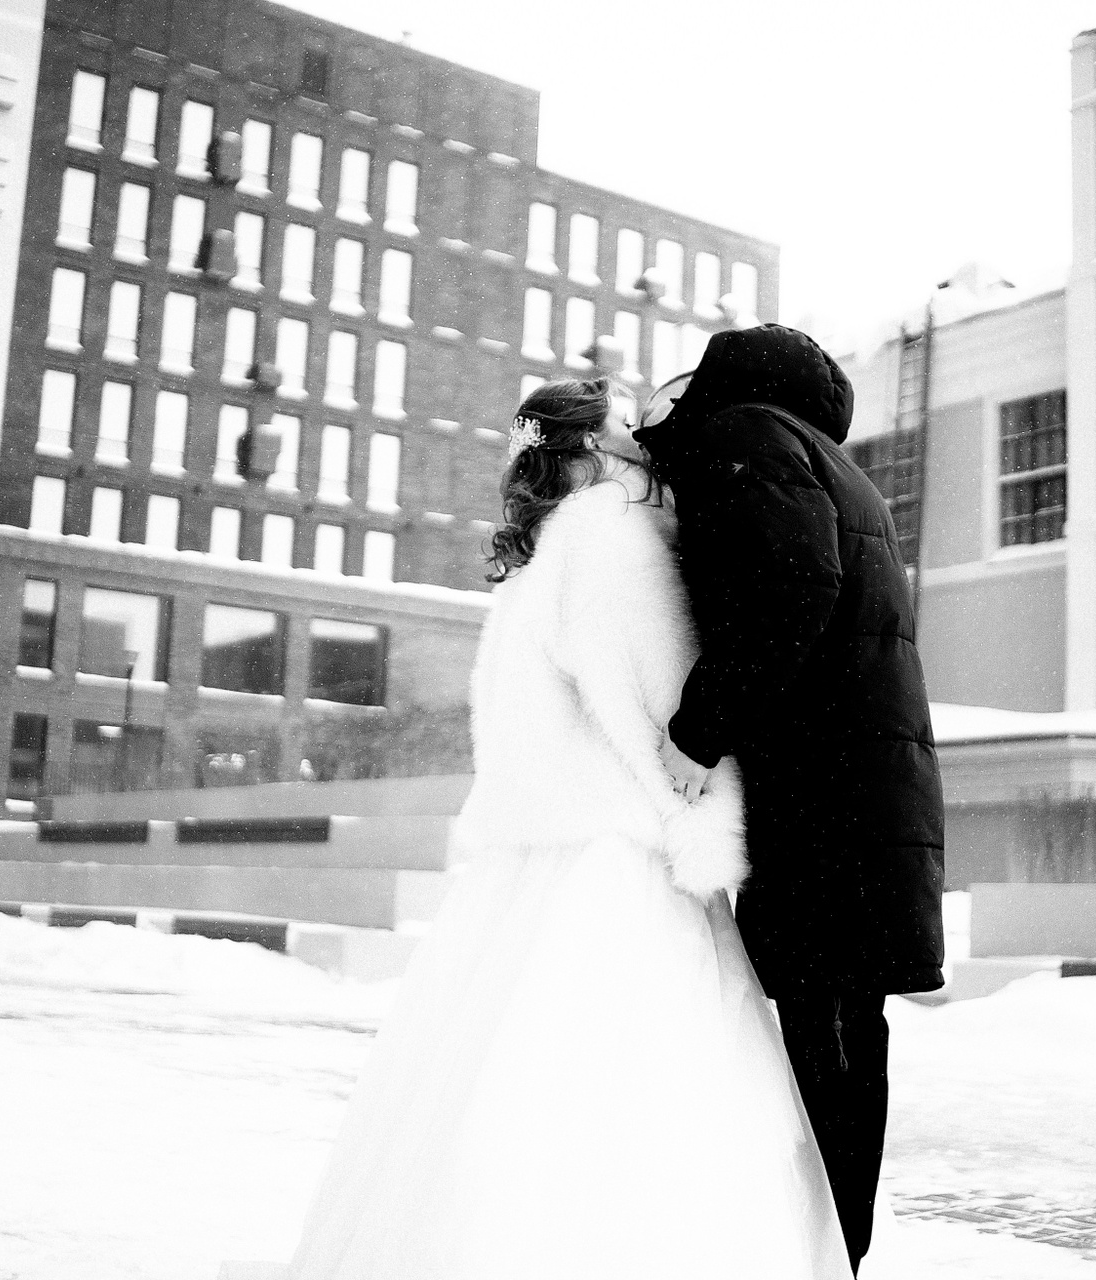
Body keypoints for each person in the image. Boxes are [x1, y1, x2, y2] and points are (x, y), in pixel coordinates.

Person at [286, 376, 853, 1280]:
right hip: (617, 856)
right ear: (589, 445)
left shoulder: (544, 555)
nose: (645, 430)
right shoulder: (613, 535)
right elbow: (643, 699)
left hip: (541, 855)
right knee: (629, 1088)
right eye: (624, 418)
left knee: (499, 1076)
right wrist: (698, 815)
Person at [634, 324, 947, 1274]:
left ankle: (826, 1257)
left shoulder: (748, 437)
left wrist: (699, 728)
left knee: (826, 1052)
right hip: (860, 797)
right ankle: (832, 1253)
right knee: (845, 1047)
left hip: (826, 808)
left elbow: (791, 588)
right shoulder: (828, 461)